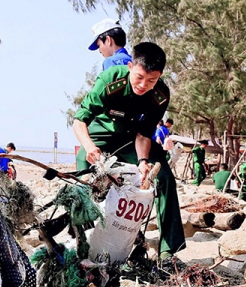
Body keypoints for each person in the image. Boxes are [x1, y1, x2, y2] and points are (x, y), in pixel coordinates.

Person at [73, 42, 185, 260]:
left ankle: (169, 251)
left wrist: (143, 161)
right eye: (139, 77)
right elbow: (79, 121)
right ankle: (81, 238)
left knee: (163, 177)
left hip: (132, 137)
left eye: (151, 80)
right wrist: (89, 147)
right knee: (82, 168)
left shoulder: (160, 94)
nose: (143, 85)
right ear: (130, 66)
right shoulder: (110, 79)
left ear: (159, 76)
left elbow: (144, 134)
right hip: (103, 132)